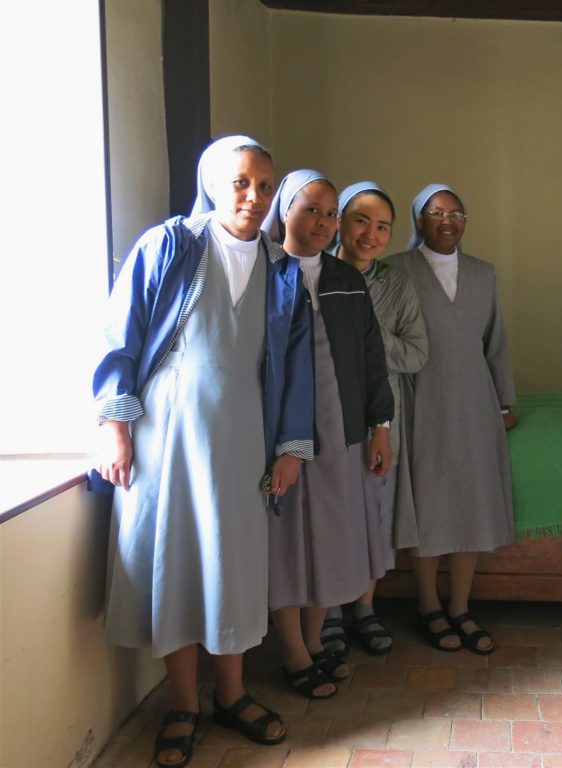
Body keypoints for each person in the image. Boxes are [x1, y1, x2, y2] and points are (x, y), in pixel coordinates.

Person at [92, 136, 314, 768]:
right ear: (214, 183)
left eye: (266, 185)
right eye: (242, 182)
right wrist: (114, 423)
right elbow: (122, 333)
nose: (255, 196)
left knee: (233, 566)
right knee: (177, 564)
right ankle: (184, 704)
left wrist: (291, 446)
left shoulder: (281, 268)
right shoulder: (170, 246)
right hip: (167, 439)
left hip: (245, 436)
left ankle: (233, 695)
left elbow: (295, 366)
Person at [261, 170, 394, 694]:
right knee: (289, 542)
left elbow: (371, 359)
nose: (322, 221)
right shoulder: (264, 274)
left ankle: (316, 640)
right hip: (280, 434)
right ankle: (292, 651)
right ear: (285, 212)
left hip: (342, 431)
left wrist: (379, 427)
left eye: (330, 212)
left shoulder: (347, 278)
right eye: (310, 208)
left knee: (333, 540)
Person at [385, 183, 516, 655]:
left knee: (470, 504)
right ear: (418, 220)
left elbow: (495, 343)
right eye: (436, 212)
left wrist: (504, 402)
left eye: (456, 213)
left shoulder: (484, 274)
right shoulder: (394, 270)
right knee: (431, 503)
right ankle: (427, 605)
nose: (447, 220)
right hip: (420, 401)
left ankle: (460, 606)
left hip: (475, 401)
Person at [320, 181, 428, 657]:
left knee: (374, 512)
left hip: (382, 416)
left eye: (383, 226)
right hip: (325, 411)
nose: (371, 234)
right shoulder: (314, 273)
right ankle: (324, 612)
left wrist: (366, 334)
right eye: (361, 220)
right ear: (340, 219)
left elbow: (417, 353)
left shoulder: (397, 285)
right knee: (326, 511)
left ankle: (364, 607)